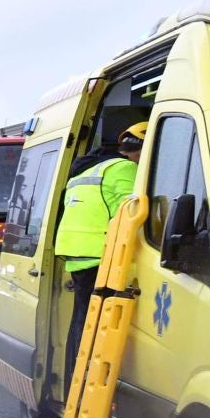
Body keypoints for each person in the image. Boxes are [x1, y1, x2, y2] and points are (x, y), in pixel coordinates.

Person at [57, 123, 145, 380]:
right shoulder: (124, 168)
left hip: (77, 252)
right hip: (100, 252)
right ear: (141, 149)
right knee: (100, 322)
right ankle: (94, 377)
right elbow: (130, 214)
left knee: (84, 317)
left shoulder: (92, 168)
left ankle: (79, 373)